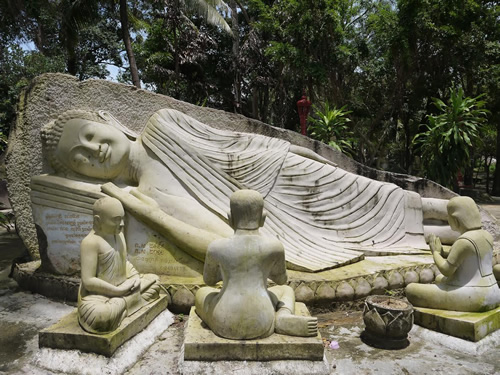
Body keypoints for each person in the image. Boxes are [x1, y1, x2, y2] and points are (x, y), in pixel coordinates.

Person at [41, 108, 451, 272]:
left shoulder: (161, 122)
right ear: (88, 176)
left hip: (274, 167)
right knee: (359, 235)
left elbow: (227, 143)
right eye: (80, 159)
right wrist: (144, 210)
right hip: (268, 216)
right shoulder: (146, 194)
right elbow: (220, 239)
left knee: (369, 193)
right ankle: (454, 235)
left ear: (105, 120)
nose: (93, 150)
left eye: (90, 134)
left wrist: (297, 149)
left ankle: (449, 213)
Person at [195, 189, 317, 339]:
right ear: (263, 218)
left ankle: (276, 316)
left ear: (230, 218)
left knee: (202, 293)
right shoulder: (274, 246)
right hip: (263, 319)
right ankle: (282, 316)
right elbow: (281, 280)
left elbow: (209, 280)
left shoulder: (216, 247)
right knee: (285, 290)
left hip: (224, 321)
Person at [78, 197, 160, 334]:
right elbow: (88, 281)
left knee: (155, 282)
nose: (121, 224)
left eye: (122, 218)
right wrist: (117, 292)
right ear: (98, 220)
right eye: (116, 219)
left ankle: (122, 308)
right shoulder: (90, 243)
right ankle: (127, 304)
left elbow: (123, 262)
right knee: (99, 317)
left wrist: (134, 277)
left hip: (124, 287)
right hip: (99, 297)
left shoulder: (119, 235)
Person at [406, 196, 500, 312]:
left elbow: (446, 270)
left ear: (456, 219)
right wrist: (443, 252)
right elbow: (464, 257)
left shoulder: (463, 241)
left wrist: (435, 252)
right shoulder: (487, 235)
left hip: (475, 297)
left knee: (411, 290)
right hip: (494, 292)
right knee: (440, 279)